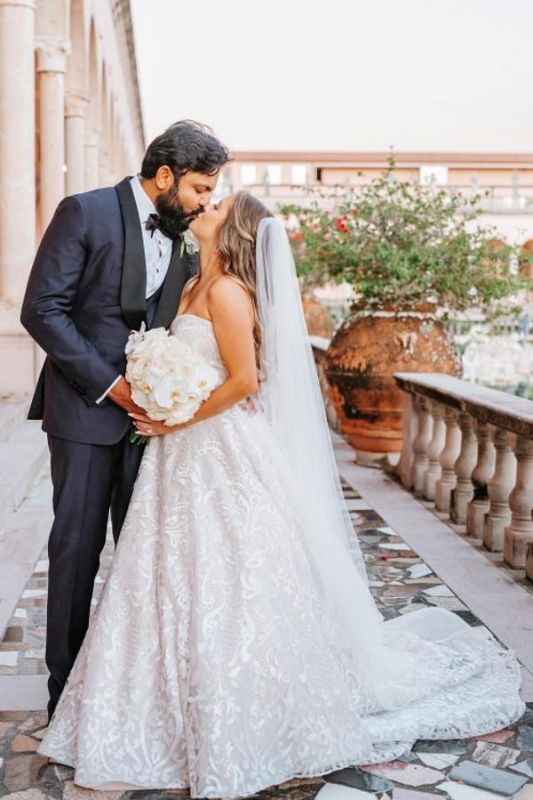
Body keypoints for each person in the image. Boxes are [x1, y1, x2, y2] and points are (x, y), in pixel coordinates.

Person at [38, 193, 524, 797]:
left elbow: (244, 379)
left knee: (228, 576)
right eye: (204, 194)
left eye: (216, 202)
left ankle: (240, 710)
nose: (204, 204)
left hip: (209, 448)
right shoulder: (192, 281)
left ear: (234, 226)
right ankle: (153, 701)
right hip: (177, 456)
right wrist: (160, 393)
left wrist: (173, 418)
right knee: (162, 576)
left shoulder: (226, 293)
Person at [20, 120, 230, 721]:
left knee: (149, 557)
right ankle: (66, 696)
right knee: (76, 552)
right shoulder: (83, 212)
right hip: (86, 415)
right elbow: (42, 309)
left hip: (157, 427)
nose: (204, 202)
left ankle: (132, 692)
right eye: (197, 188)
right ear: (164, 176)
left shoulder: (191, 240)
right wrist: (112, 385)